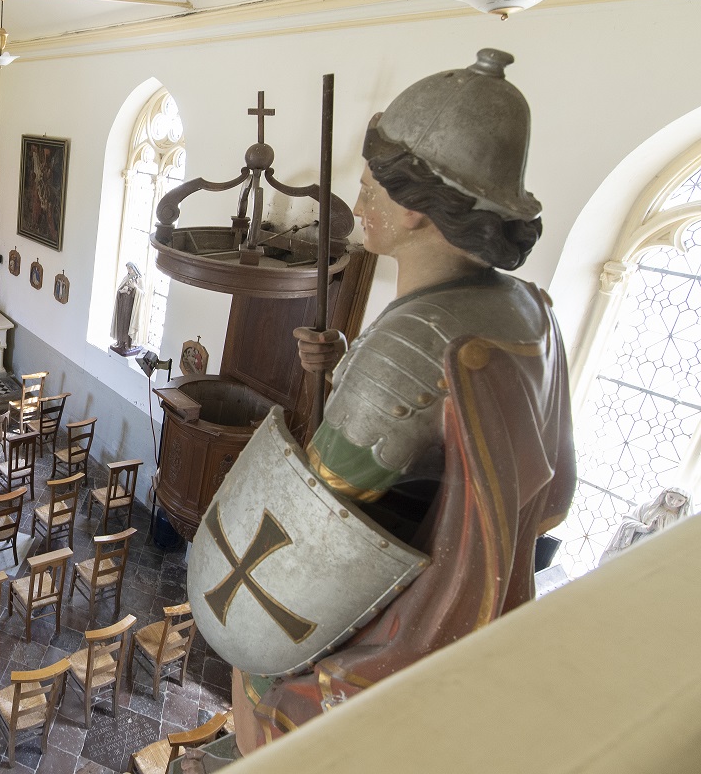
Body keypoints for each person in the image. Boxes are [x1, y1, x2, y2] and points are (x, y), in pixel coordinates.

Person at [210, 49, 577, 752]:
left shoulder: (410, 343)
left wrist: (358, 380)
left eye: (370, 187)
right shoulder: (528, 309)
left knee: (256, 677)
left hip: (397, 616)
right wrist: (343, 368)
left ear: (414, 208)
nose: (359, 204)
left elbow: (317, 514)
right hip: (486, 596)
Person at [598, 488, 691, 564]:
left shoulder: (681, 521)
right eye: (671, 497)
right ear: (665, 493)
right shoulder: (648, 507)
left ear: (685, 501)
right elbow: (627, 522)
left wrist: (660, 533)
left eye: (680, 500)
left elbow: (679, 545)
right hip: (635, 545)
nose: (673, 502)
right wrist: (647, 528)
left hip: (655, 554)